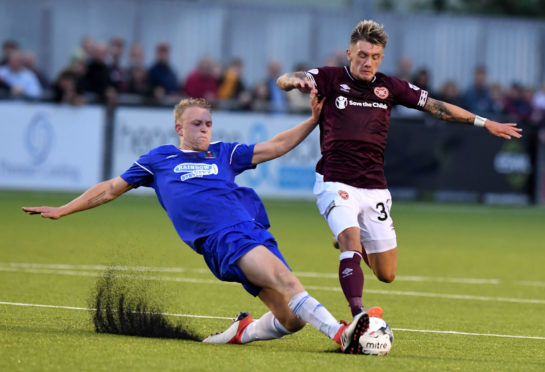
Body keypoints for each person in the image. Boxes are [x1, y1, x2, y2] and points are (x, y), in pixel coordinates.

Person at [22, 93, 371, 354]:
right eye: (196, 123)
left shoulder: (223, 153)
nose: (204, 128)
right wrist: (63, 209)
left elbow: (275, 146)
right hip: (221, 239)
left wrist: (313, 120)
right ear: (179, 127)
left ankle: (241, 332)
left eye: (208, 123)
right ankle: (342, 335)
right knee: (286, 280)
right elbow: (111, 189)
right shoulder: (159, 159)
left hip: (250, 231)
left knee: (291, 319)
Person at [276, 19, 522, 320]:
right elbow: (288, 78)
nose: (368, 62)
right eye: (362, 55)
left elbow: (436, 106)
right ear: (349, 53)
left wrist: (485, 123)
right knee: (352, 242)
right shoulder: (328, 78)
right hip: (335, 181)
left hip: (374, 187)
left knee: (387, 274)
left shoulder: (389, 87)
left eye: (375, 57)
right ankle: (358, 316)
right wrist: (296, 82)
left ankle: (343, 239)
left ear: (382, 58)